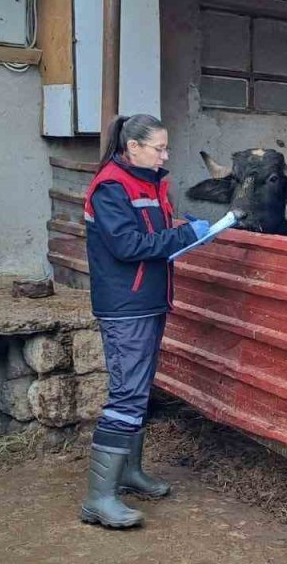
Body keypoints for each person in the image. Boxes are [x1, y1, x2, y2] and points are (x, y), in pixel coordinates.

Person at [78, 114, 210, 529]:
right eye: (159, 147)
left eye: (166, 147)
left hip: (149, 300)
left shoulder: (149, 183)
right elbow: (128, 244)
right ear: (133, 147)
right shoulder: (111, 187)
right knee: (125, 398)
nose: (165, 155)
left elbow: (155, 228)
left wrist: (183, 225)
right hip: (126, 305)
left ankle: (130, 474)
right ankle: (99, 499)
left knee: (139, 393)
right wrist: (187, 236)